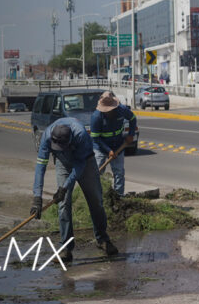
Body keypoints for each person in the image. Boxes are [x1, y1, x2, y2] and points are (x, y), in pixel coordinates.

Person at [31, 118, 119, 262]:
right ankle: (65, 247)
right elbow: (41, 166)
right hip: (62, 163)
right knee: (63, 204)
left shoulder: (81, 135)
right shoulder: (46, 137)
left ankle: (103, 239)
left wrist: (65, 187)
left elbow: (79, 166)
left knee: (96, 200)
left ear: (70, 139)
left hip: (85, 162)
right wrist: (37, 197)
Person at [90, 91, 137, 197]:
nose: (109, 112)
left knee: (119, 172)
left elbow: (133, 119)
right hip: (100, 148)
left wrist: (131, 134)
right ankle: (97, 196)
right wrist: (108, 150)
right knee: (98, 172)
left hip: (118, 145)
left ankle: (119, 196)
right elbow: (96, 139)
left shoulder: (122, 110)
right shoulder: (96, 117)